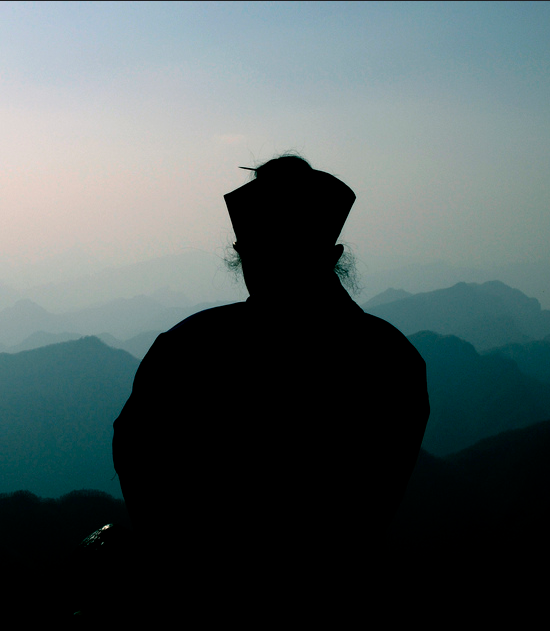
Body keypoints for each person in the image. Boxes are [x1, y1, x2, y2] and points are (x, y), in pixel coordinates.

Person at [112, 155, 429, 615]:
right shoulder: (390, 359)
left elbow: (138, 462)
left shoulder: (188, 349)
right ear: (334, 256)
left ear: (240, 253)